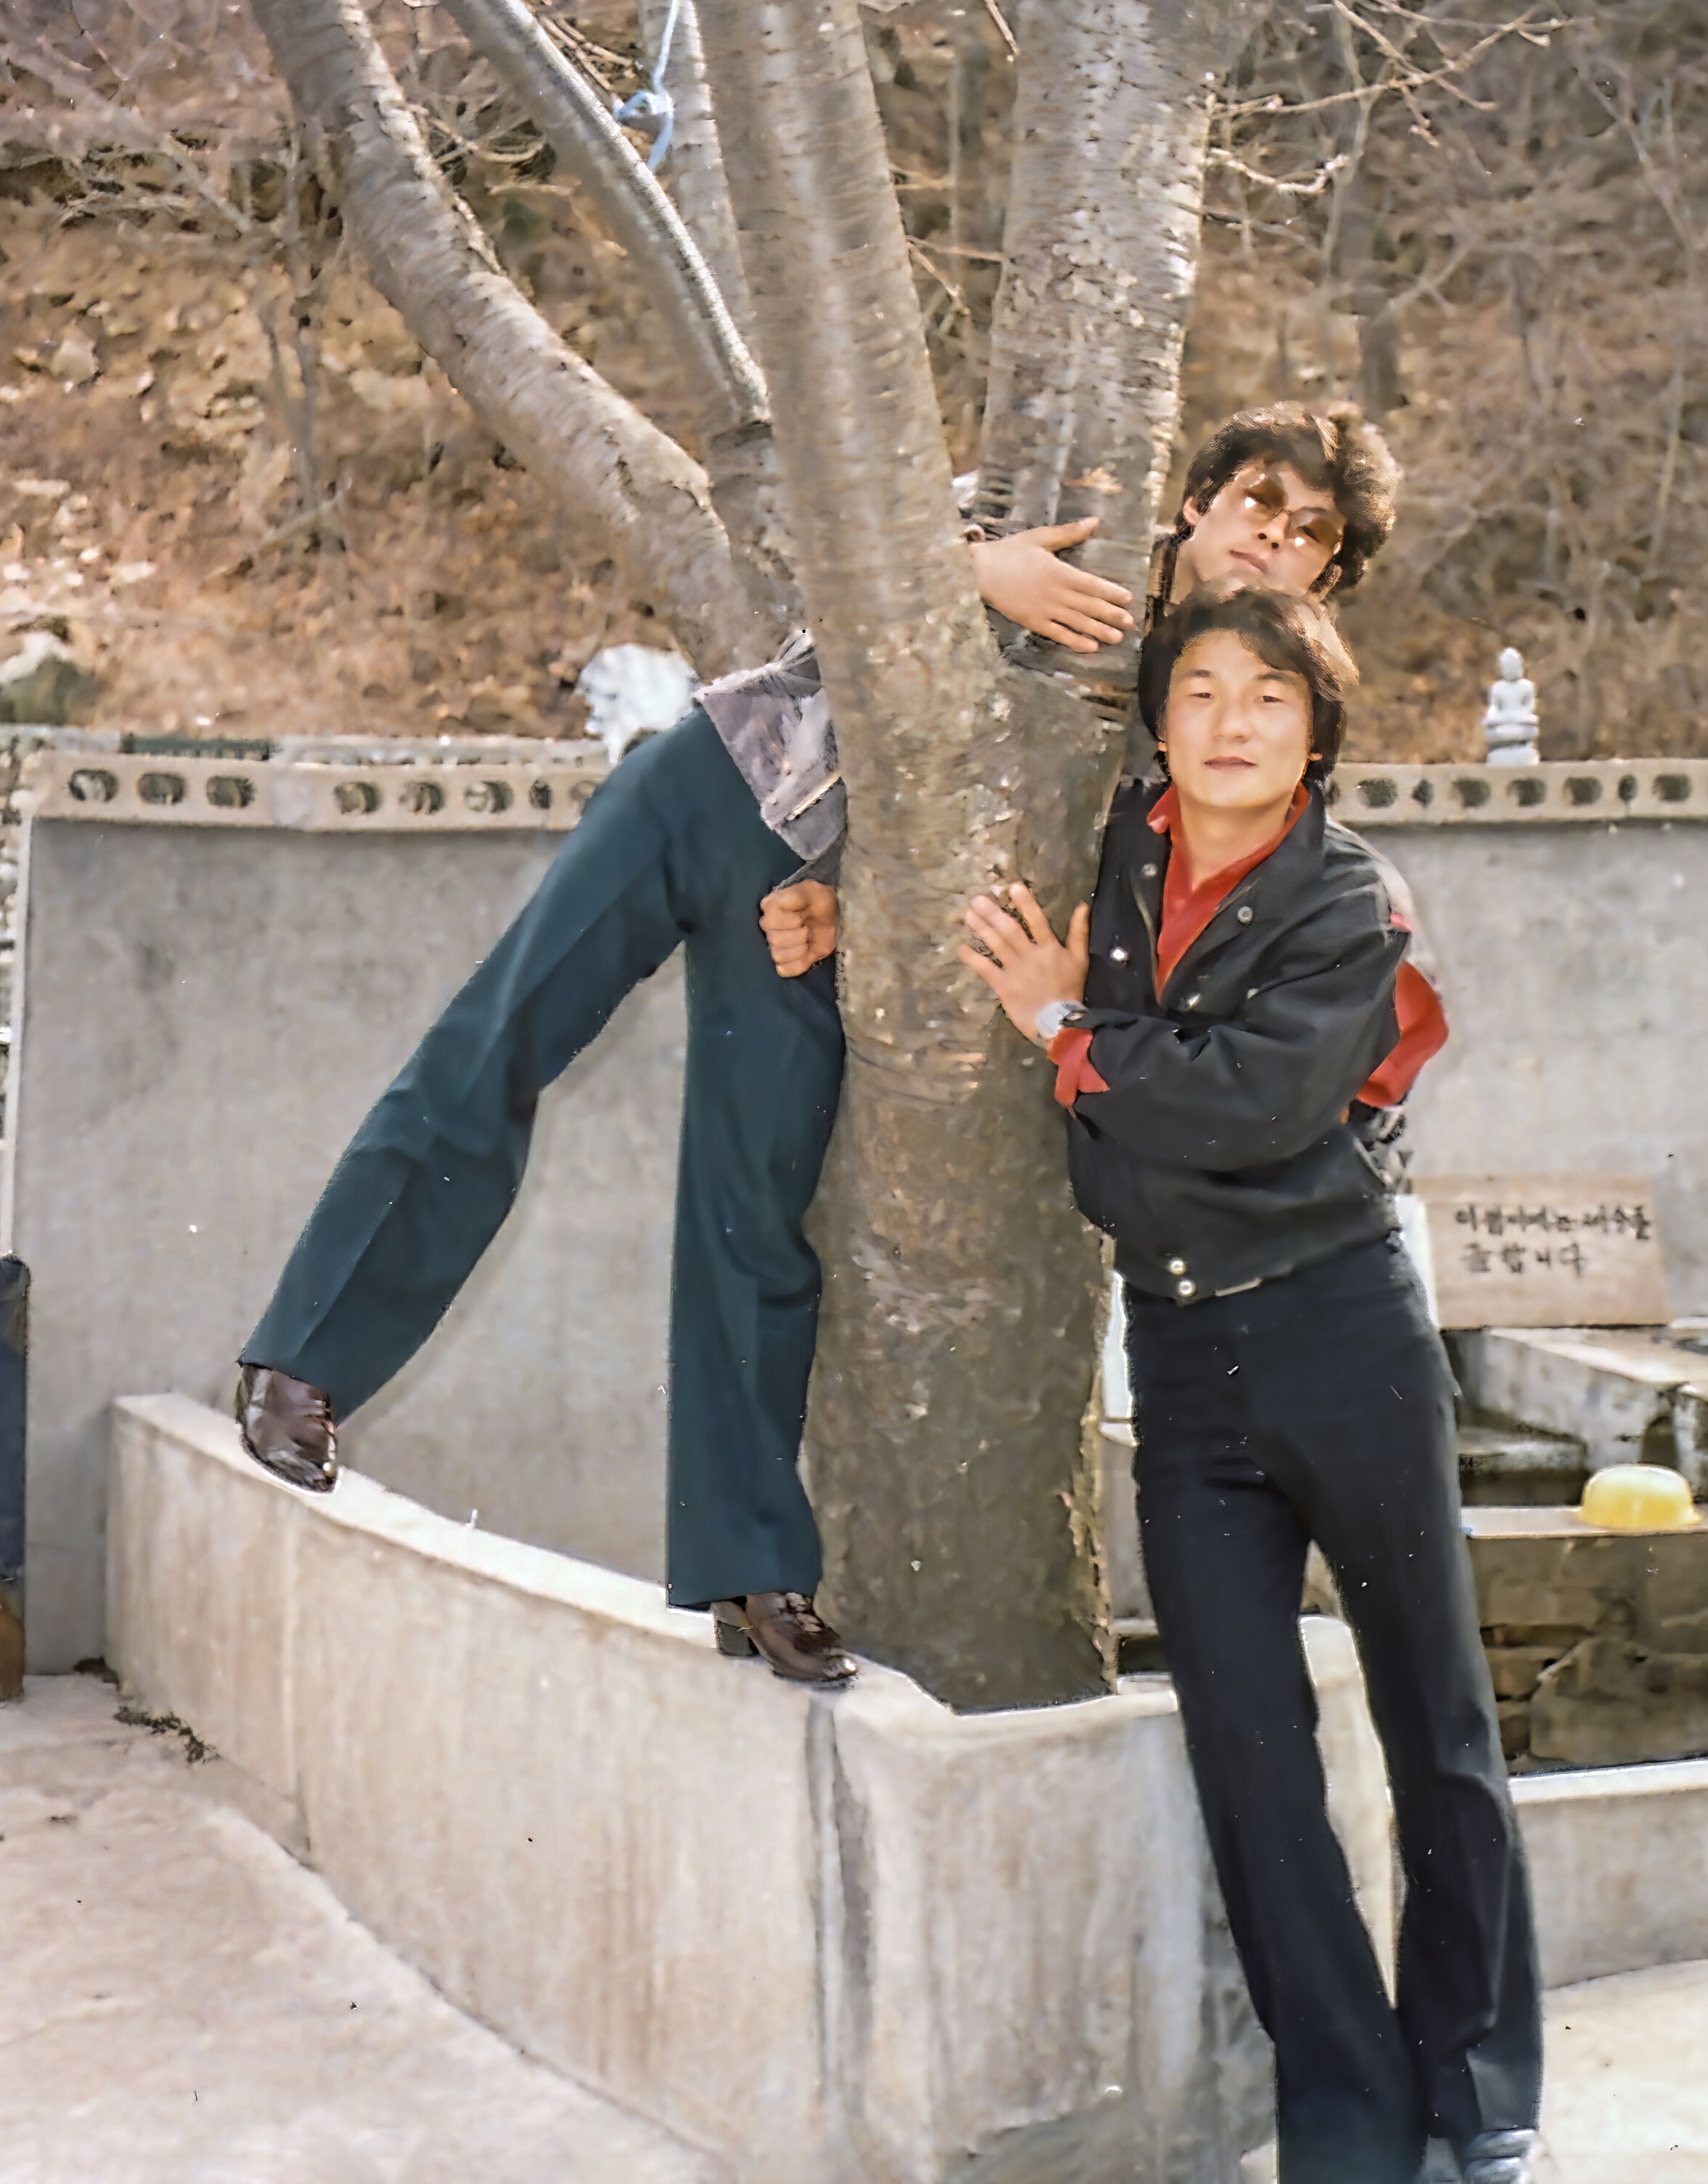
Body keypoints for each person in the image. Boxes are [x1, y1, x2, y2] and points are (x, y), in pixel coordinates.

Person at [229, 404, 1405, 1689]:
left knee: (757, 1211)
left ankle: (747, 1565)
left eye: (1309, 535)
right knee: (501, 1039)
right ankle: (304, 1364)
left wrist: (855, 911)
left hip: (821, 922)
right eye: (1258, 502)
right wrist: (972, 572)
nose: (1272, 539)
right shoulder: (1065, 501)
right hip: (722, 787)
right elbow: (826, 564)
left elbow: (1036, 864)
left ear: (1327, 576)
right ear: (1201, 498)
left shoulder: (1204, 723)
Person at [957, 585, 1539, 2184]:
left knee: (1435, 1714)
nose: (1230, 722)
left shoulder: (1349, 899)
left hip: (1343, 1331)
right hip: (1181, 1356)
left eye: (1270, 695)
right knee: (1248, 1745)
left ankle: (1480, 2094)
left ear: (1316, 732)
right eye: (1201, 688)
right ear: (1159, 719)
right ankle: (1347, 2120)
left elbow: (1252, 1105)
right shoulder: (1115, 855)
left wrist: (1067, 1029)